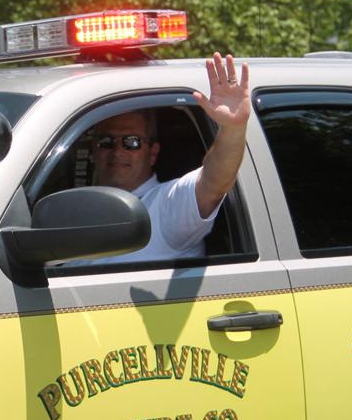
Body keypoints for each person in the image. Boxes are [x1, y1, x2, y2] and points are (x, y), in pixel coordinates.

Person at [83, 53, 251, 265]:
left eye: (131, 142)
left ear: (152, 153)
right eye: (106, 141)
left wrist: (233, 128)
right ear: (94, 149)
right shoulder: (76, 210)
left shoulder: (166, 207)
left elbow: (214, 183)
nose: (117, 151)